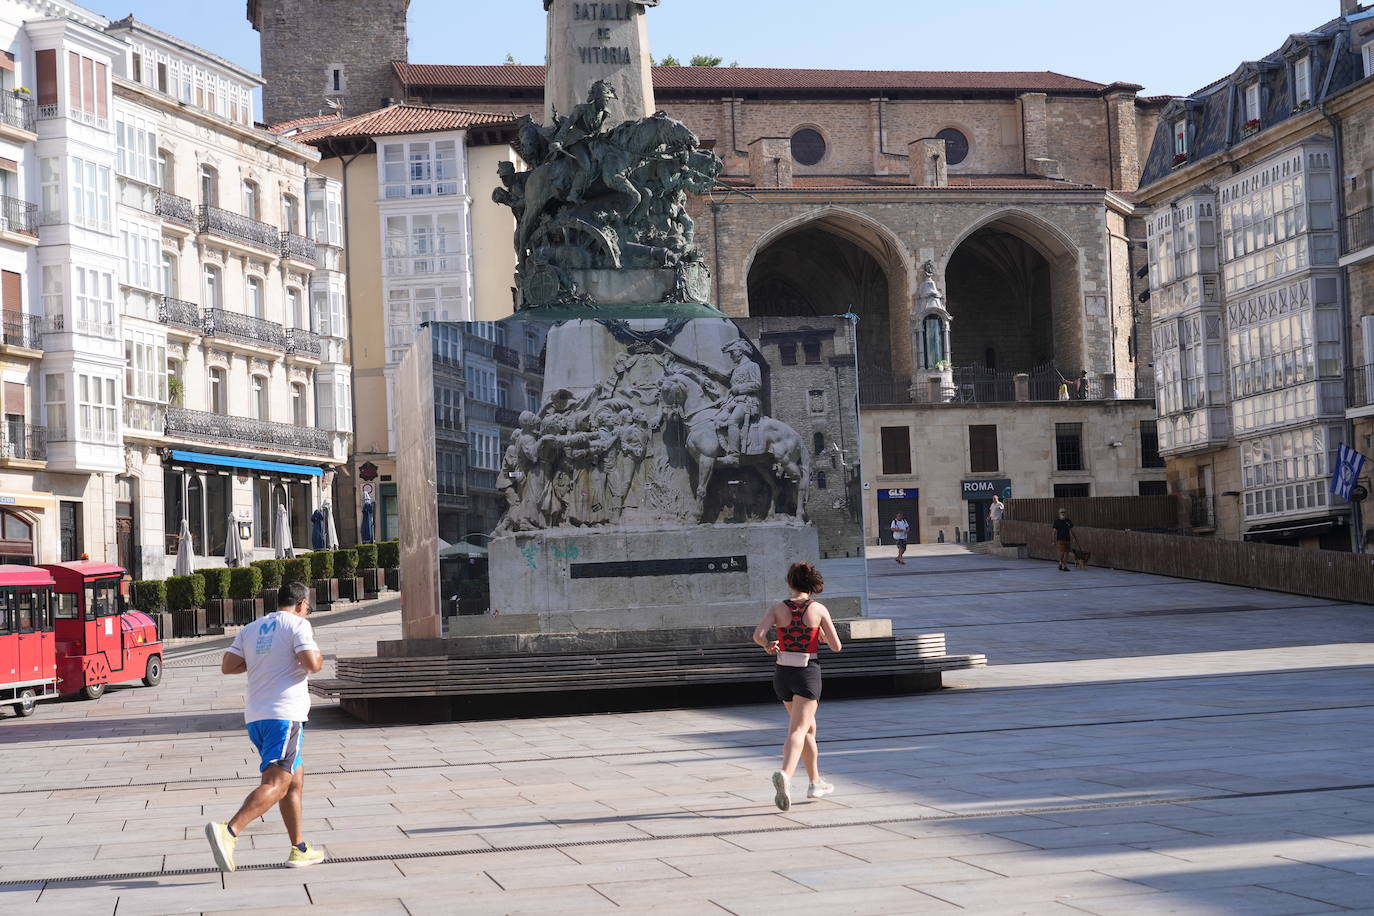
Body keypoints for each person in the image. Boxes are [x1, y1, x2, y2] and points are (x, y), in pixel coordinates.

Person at [205, 582, 325, 872]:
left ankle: (299, 849)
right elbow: (312, 664)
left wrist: (266, 661)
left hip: (257, 717)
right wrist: (315, 657)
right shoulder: (297, 625)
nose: (307, 612)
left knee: (294, 781)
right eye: (308, 608)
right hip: (285, 715)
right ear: (300, 604)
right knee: (276, 783)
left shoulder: (252, 628)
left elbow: (229, 665)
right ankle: (229, 831)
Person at [753, 562, 842, 811]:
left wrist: (767, 645)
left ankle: (815, 782)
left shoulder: (778, 608)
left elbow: (758, 635)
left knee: (808, 729)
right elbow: (836, 646)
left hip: (783, 674)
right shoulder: (818, 609)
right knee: (798, 731)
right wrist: (821, 636)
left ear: (790, 583)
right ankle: (786, 775)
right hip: (807, 673)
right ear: (812, 583)